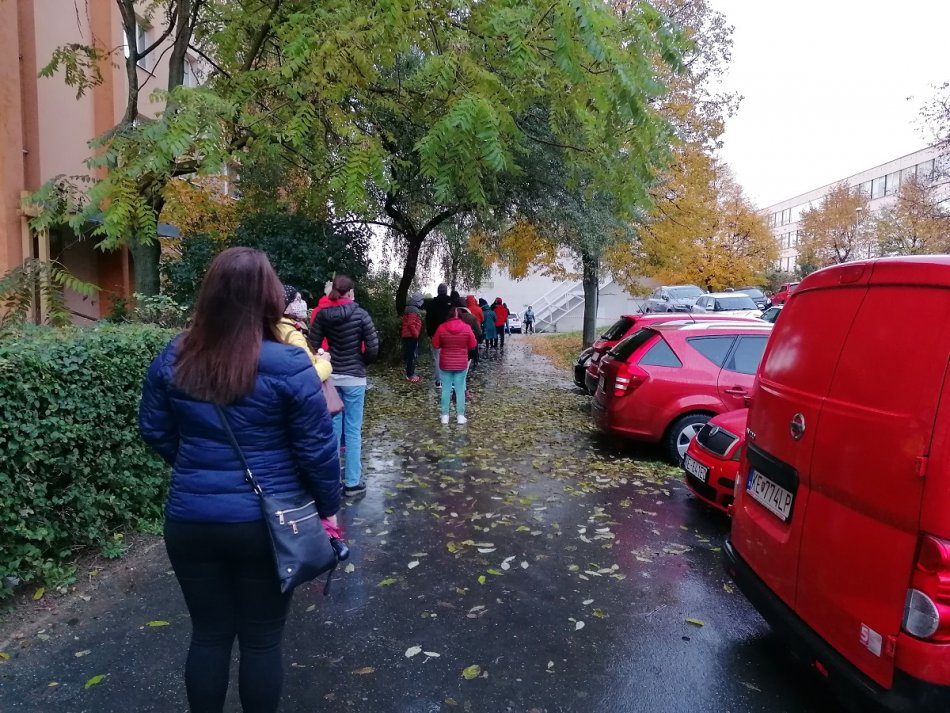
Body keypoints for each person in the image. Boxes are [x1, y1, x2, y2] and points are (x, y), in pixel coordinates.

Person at [139, 247, 341, 713]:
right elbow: (316, 450)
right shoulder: (289, 364)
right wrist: (327, 508)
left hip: (190, 520)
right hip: (265, 526)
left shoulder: (174, 355)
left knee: (208, 634)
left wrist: (193, 466)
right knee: (262, 639)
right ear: (269, 298)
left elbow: (154, 428)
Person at [309, 275, 379, 497]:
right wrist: (361, 362)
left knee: (332, 430)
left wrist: (325, 359)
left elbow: (313, 344)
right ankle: (352, 482)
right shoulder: (361, 315)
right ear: (350, 292)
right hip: (354, 378)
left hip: (331, 377)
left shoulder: (322, 315)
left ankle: (331, 482)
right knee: (353, 430)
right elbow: (373, 348)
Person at [277, 285, 332, 382]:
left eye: (301, 299)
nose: (302, 303)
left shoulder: (277, 326)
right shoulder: (293, 335)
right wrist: (324, 362)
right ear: (285, 308)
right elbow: (309, 376)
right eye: (297, 300)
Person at [432, 307, 477, 425]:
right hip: (461, 363)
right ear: (461, 317)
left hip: (446, 363)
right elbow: (473, 344)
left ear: (449, 316)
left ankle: (445, 417)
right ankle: (460, 417)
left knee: (446, 389)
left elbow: (435, 344)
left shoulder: (441, 327)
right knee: (460, 389)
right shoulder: (467, 328)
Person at [424, 284, 453, 386]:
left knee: (437, 357)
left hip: (435, 334)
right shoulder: (451, 302)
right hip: (449, 334)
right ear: (446, 291)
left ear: (438, 291)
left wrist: (430, 333)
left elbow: (428, 319)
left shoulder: (432, 303)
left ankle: (438, 381)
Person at [401, 292, 424, 383]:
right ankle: (410, 375)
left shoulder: (410, 308)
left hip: (408, 335)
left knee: (410, 355)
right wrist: (416, 334)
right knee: (412, 355)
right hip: (411, 336)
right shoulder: (413, 310)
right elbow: (411, 324)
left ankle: (409, 373)